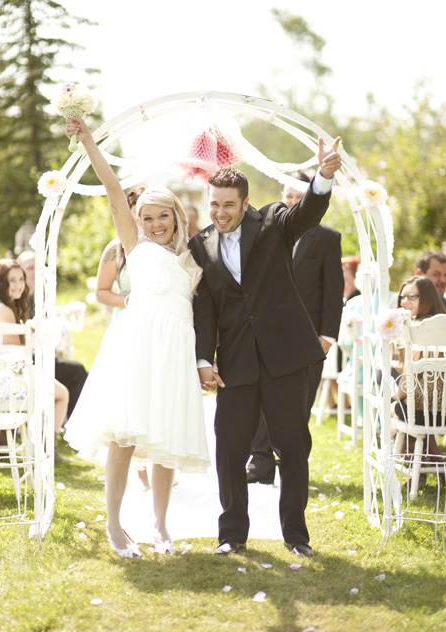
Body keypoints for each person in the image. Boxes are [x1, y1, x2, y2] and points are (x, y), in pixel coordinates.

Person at [64, 117, 209, 559]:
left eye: (162, 216)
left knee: (164, 438)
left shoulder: (194, 256)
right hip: (137, 346)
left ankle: (162, 527)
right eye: (147, 217)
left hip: (175, 351)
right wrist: (89, 141)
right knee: (123, 437)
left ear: (177, 218)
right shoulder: (134, 246)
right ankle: (114, 523)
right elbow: (112, 190)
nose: (154, 223)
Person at [189, 136, 342, 557]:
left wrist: (324, 176)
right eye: (214, 204)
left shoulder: (274, 222)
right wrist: (204, 360)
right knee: (230, 451)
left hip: (287, 358)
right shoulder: (199, 246)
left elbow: (308, 212)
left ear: (245, 203)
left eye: (228, 205)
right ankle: (232, 535)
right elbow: (204, 312)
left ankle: (296, 536)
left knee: (292, 448)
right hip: (235, 363)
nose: (220, 212)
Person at [247, 173, 344, 485]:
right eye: (286, 196)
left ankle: (292, 467)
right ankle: (260, 464)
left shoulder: (327, 239)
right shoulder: (263, 234)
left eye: (297, 197)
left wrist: (327, 337)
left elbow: (333, 291)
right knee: (261, 401)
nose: (290, 203)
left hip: (309, 338)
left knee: (298, 407)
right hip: (266, 336)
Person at [0, 258, 70, 462]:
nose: (19, 285)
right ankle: (49, 450)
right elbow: (19, 351)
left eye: (21, 279)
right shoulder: (5, 311)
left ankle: (12, 438)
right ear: (0, 282)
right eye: (12, 281)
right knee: (61, 394)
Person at [95, 186, 151, 491]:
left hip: (156, 329)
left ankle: (155, 461)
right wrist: (129, 301)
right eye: (136, 208)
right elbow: (101, 292)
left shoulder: (164, 244)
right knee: (131, 398)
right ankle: (139, 472)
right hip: (128, 327)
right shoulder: (116, 249)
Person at [17, 250, 88, 421]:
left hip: (43, 356)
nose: (36, 271)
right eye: (30, 268)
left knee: (77, 370)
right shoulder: (16, 299)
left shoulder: (39, 296)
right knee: (76, 371)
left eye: (39, 266)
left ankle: (72, 423)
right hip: (27, 361)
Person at [391, 275, 445, 481]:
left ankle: (424, 469)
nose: (405, 302)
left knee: (395, 408)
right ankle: (430, 468)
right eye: (402, 297)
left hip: (423, 410)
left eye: (412, 296)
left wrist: (396, 397)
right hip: (443, 412)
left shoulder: (416, 330)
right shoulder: (442, 324)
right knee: (413, 414)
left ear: (427, 298)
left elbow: (407, 383)